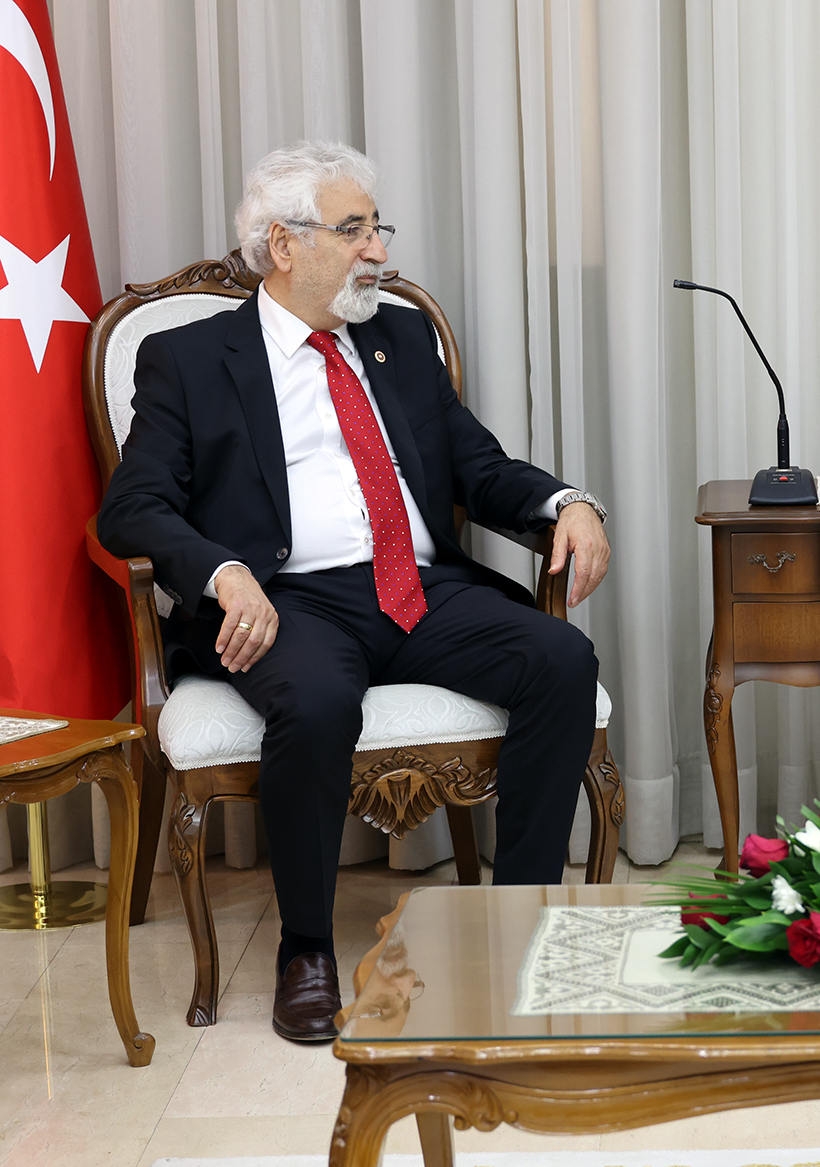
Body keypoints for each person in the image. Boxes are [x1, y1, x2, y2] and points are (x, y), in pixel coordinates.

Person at [98, 142, 610, 1043]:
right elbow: (132, 508)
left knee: (561, 657)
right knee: (317, 699)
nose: (378, 250)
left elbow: (479, 466)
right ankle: (305, 952)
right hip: (288, 598)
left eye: (378, 228)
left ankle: (515, 925)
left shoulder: (398, 338)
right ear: (283, 245)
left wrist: (566, 503)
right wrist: (223, 572)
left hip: (417, 588)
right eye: (354, 230)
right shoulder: (189, 359)